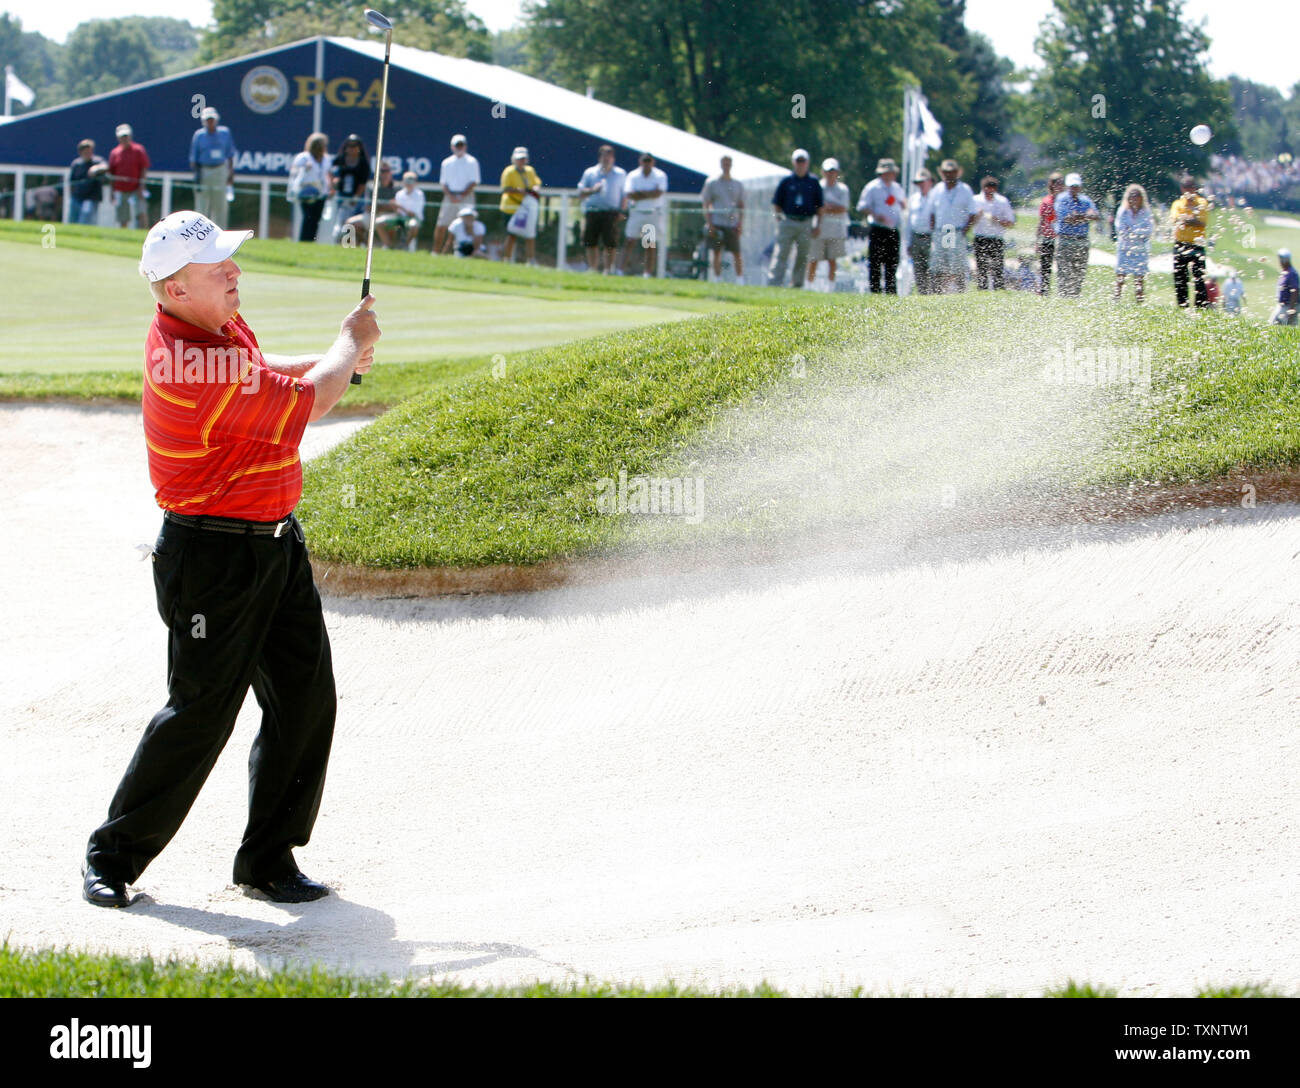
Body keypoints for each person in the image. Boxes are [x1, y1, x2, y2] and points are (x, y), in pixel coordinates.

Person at [81, 209, 381, 909]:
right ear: (175, 290)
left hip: (274, 541)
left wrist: (328, 356)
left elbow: (268, 372)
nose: (234, 272)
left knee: (306, 699)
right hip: (212, 558)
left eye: (230, 260)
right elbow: (310, 403)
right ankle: (112, 856)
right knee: (200, 713)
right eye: (218, 269)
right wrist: (346, 344)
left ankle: (268, 860)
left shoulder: (216, 330)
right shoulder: (194, 361)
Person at [768, 149, 822, 288]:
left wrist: (818, 225)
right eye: (798, 161)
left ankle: (797, 284)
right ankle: (774, 283)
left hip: (806, 222)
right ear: (793, 162)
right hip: (788, 220)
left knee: (803, 256)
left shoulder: (813, 182)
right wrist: (780, 219)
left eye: (803, 161)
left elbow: (820, 206)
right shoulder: (786, 181)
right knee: (781, 253)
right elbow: (777, 203)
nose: (801, 164)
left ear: (807, 163)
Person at [925, 159, 977, 293]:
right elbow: (931, 212)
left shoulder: (964, 189)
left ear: (957, 173)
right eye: (946, 172)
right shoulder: (937, 189)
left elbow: (972, 213)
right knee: (938, 265)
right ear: (942, 173)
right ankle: (937, 292)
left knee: (958, 265)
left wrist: (965, 230)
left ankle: (959, 292)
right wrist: (933, 230)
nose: (949, 175)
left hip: (957, 230)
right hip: (941, 230)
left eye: (952, 172)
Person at [856, 157, 906, 294]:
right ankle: (875, 291)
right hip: (878, 229)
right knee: (875, 263)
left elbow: (903, 203)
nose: (891, 175)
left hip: (893, 229)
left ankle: (891, 291)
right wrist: (875, 214)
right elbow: (861, 206)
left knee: (892, 263)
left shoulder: (896, 188)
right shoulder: (872, 187)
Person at [577, 144, 626, 274]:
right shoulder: (590, 173)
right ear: (600, 158)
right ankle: (592, 268)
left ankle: (608, 270)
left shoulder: (620, 174)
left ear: (613, 158)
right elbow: (580, 192)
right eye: (604, 157)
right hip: (592, 211)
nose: (606, 160)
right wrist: (593, 190)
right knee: (590, 242)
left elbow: (624, 195)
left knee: (610, 243)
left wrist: (622, 211)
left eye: (609, 157)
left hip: (611, 213)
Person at [1052, 172, 1099, 298]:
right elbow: (1067, 218)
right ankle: (1063, 296)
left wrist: (1079, 216)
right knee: (1065, 270)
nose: (1074, 188)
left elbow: (1095, 215)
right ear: (1067, 186)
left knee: (1079, 270)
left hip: (1082, 240)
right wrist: (1085, 216)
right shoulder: (1062, 198)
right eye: (1072, 186)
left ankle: (1074, 296)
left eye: (1076, 186)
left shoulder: (1085, 200)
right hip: (1065, 239)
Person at [189, 107, 236, 228]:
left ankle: (220, 231)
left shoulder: (225, 133)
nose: (210, 122)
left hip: (220, 169)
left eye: (212, 119)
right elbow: (193, 158)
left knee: (220, 204)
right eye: (207, 120)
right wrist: (197, 175)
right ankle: (200, 231)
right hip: (204, 170)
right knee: (202, 204)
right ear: (203, 121)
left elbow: (230, 155)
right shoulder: (199, 135)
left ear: (216, 120)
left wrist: (230, 174)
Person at [622, 151, 668, 277]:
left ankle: (647, 273)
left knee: (649, 244)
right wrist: (649, 193)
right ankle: (621, 270)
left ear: (653, 162)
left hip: (652, 213)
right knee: (630, 240)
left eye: (649, 161)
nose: (647, 163)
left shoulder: (660, 175)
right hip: (637, 212)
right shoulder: (633, 175)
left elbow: (658, 193)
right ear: (640, 162)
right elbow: (629, 194)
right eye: (644, 161)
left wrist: (640, 193)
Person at [701, 154, 745, 281]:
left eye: (728, 163)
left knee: (736, 252)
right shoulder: (712, 183)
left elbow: (741, 205)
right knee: (716, 252)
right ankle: (717, 278)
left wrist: (740, 223)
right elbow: (706, 203)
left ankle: (740, 280)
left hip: (732, 223)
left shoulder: (737, 184)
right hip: (717, 222)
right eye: (724, 163)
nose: (726, 166)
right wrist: (709, 223)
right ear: (721, 165)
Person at [1170, 174, 1210, 309]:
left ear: (1195, 188)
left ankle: (1200, 307)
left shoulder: (1202, 202)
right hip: (1180, 243)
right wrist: (1191, 219)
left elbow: (1201, 222)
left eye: (1190, 187)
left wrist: (1186, 219)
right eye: (1186, 188)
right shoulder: (1177, 204)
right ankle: (1183, 306)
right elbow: (1176, 219)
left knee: (1199, 277)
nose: (1188, 190)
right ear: (1182, 188)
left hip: (1196, 243)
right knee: (1180, 277)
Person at [435, 134, 480, 255]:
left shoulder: (472, 162)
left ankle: (469, 253)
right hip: (450, 197)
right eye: (457, 145)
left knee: (469, 226)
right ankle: (436, 253)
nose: (459, 148)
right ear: (452, 147)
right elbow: (443, 183)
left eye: (461, 145)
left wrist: (461, 196)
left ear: (465, 146)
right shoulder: (446, 162)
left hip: (467, 197)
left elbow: (474, 182)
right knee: (441, 225)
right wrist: (452, 196)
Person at [807, 158, 848, 288]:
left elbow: (842, 208)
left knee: (832, 260)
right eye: (827, 171)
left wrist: (826, 208)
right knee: (813, 259)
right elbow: (815, 206)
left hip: (836, 230)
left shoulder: (842, 189)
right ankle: (809, 286)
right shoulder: (817, 186)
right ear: (822, 172)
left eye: (833, 171)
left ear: (837, 172)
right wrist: (827, 208)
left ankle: (831, 287)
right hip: (819, 229)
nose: (830, 174)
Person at [970, 176, 1015, 290]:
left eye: (992, 191)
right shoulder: (975, 200)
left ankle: (998, 288)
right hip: (980, 237)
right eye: (987, 191)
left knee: (997, 268)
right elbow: (968, 221)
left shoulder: (1002, 201)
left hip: (996, 237)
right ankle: (982, 288)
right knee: (981, 267)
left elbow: (1010, 222)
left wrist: (998, 220)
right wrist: (977, 216)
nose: (990, 193)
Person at [288, 132, 332, 243]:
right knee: (308, 217)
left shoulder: (326, 159)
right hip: (307, 191)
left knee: (316, 219)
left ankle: (311, 241)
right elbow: (294, 173)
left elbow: (328, 174)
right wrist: (304, 169)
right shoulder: (303, 158)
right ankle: (304, 241)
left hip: (321, 193)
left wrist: (331, 188)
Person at [500, 146, 542, 264]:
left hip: (526, 207)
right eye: (519, 159)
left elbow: (536, 183)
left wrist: (535, 188)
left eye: (523, 159)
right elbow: (505, 188)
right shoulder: (509, 171)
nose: (521, 161)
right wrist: (519, 191)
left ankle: (531, 260)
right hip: (511, 207)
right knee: (511, 234)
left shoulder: (530, 171)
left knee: (530, 234)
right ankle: (507, 259)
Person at [1113, 183, 1153, 303]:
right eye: (1132, 196)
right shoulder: (1123, 211)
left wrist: (1135, 232)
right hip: (1125, 247)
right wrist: (1136, 233)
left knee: (1139, 278)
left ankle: (1139, 301)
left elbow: (1149, 230)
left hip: (1140, 248)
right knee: (1120, 276)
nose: (1134, 199)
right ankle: (1116, 300)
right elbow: (1120, 228)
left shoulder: (1145, 212)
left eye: (1137, 196)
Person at [345, 160, 397, 247]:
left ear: (390, 173)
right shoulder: (371, 187)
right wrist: (386, 206)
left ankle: (388, 248)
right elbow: (368, 208)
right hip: (372, 215)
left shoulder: (397, 188)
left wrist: (380, 207)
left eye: (387, 171)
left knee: (380, 223)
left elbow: (395, 208)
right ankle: (357, 247)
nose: (384, 174)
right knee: (349, 223)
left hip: (389, 216)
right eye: (382, 171)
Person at [108, 123, 150, 229]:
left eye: (126, 136)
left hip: (136, 188)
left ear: (130, 136)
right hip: (120, 189)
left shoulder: (138, 150)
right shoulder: (114, 152)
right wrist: (111, 191)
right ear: (118, 138)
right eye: (122, 137)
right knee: (123, 217)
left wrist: (142, 186)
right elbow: (112, 174)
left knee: (141, 212)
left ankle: (144, 235)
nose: (124, 139)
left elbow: (144, 168)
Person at [330, 133, 372, 237]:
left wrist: (356, 197)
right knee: (341, 221)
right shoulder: (340, 159)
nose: (351, 149)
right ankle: (341, 242)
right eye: (349, 146)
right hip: (341, 196)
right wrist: (333, 182)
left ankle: (351, 244)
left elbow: (363, 183)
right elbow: (329, 170)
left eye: (354, 146)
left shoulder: (363, 163)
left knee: (353, 223)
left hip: (356, 199)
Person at [378, 170, 426, 250]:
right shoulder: (400, 194)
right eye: (407, 180)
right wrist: (393, 206)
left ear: (415, 182)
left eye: (411, 180)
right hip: (400, 218)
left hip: (414, 219)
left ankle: (404, 246)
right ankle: (388, 246)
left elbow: (412, 214)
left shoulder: (419, 195)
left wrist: (399, 206)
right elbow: (397, 211)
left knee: (413, 226)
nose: (409, 183)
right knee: (379, 222)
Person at [907, 167, 934, 294]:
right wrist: (908, 243)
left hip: (931, 237)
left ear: (930, 182)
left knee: (932, 268)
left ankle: (933, 293)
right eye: (919, 183)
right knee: (918, 269)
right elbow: (909, 222)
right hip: (916, 237)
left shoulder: (935, 198)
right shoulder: (913, 199)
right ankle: (922, 293)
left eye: (923, 182)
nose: (921, 185)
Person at [1035, 172, 1064, 296]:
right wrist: (1037, 240)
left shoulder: (1065, 200)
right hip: (1048, 237)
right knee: (1045, 266)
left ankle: (1062, 291)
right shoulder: (1046, 201)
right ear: (1051, 185)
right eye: (1056, 183)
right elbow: (1041, 221)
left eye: (1061, 183)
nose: (1059, 186)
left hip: (1062, 237)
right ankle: (1044, 290)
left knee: (1062, 266)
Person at [69, 139, 107, 225]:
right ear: (81, 152)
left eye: (90, 151)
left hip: (91, 198)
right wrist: (72, 195)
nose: (88, 153)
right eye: (86, 151)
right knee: (72, 221)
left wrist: (96, 169)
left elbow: (106, 167)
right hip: (77, 197)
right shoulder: (76, 164)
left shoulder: (97, 161)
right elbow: (72, 183)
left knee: (86, 219)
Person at [1271, 248, 1299, 325]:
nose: (1279, 261)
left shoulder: (1291, 273)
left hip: (1287, 306)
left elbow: (1295, 291)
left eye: (1280, 259)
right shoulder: (1286, 272)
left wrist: (1291, 309)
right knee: (1274, 325)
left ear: (1284, 260)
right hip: (1282, 306)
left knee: (1286, 326)